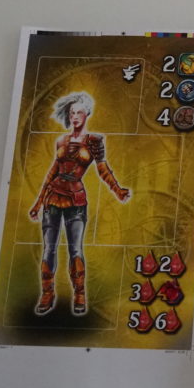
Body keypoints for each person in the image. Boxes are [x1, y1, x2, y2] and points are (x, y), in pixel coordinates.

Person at [28, 92, 131, 316]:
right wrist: (38, 203)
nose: (74, 116)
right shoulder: (61, 141)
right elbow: (52, 172)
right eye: (72, 112)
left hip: (76, 201)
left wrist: (117, 190)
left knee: (75, 249)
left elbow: (102, 169)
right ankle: (47, 293)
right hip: (52, 200)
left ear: (87, 114)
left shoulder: (94, 141)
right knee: (49, 249)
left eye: (79, 112)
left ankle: (80, 294)